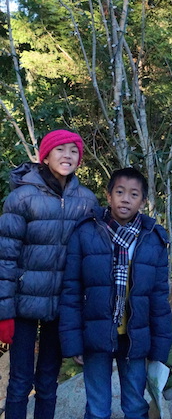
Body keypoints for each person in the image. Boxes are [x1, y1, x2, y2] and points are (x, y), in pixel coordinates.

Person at [59, 167, 172, 419]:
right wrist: (73, 341)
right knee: (97, 408)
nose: (125, 199)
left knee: (135, 405)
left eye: (134, 194)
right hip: (96, 335)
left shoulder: (152, 238)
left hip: (135, 338)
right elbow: (72, 291)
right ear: (108, 196)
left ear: (143, 201)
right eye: (120, 192)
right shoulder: (86, 232)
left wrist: (160, 347)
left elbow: (158, 298)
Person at [0, 129, 99, 419]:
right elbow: (5, 258)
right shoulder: (21, 197)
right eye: (60, 149)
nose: (67, 155)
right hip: (23, 304)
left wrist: (84, 308)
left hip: (62, 305)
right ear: (45, 155)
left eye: (73, 150)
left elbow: (92, 260)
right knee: (20, 382)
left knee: (47, 382)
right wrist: (4, 312)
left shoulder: (87, 201)